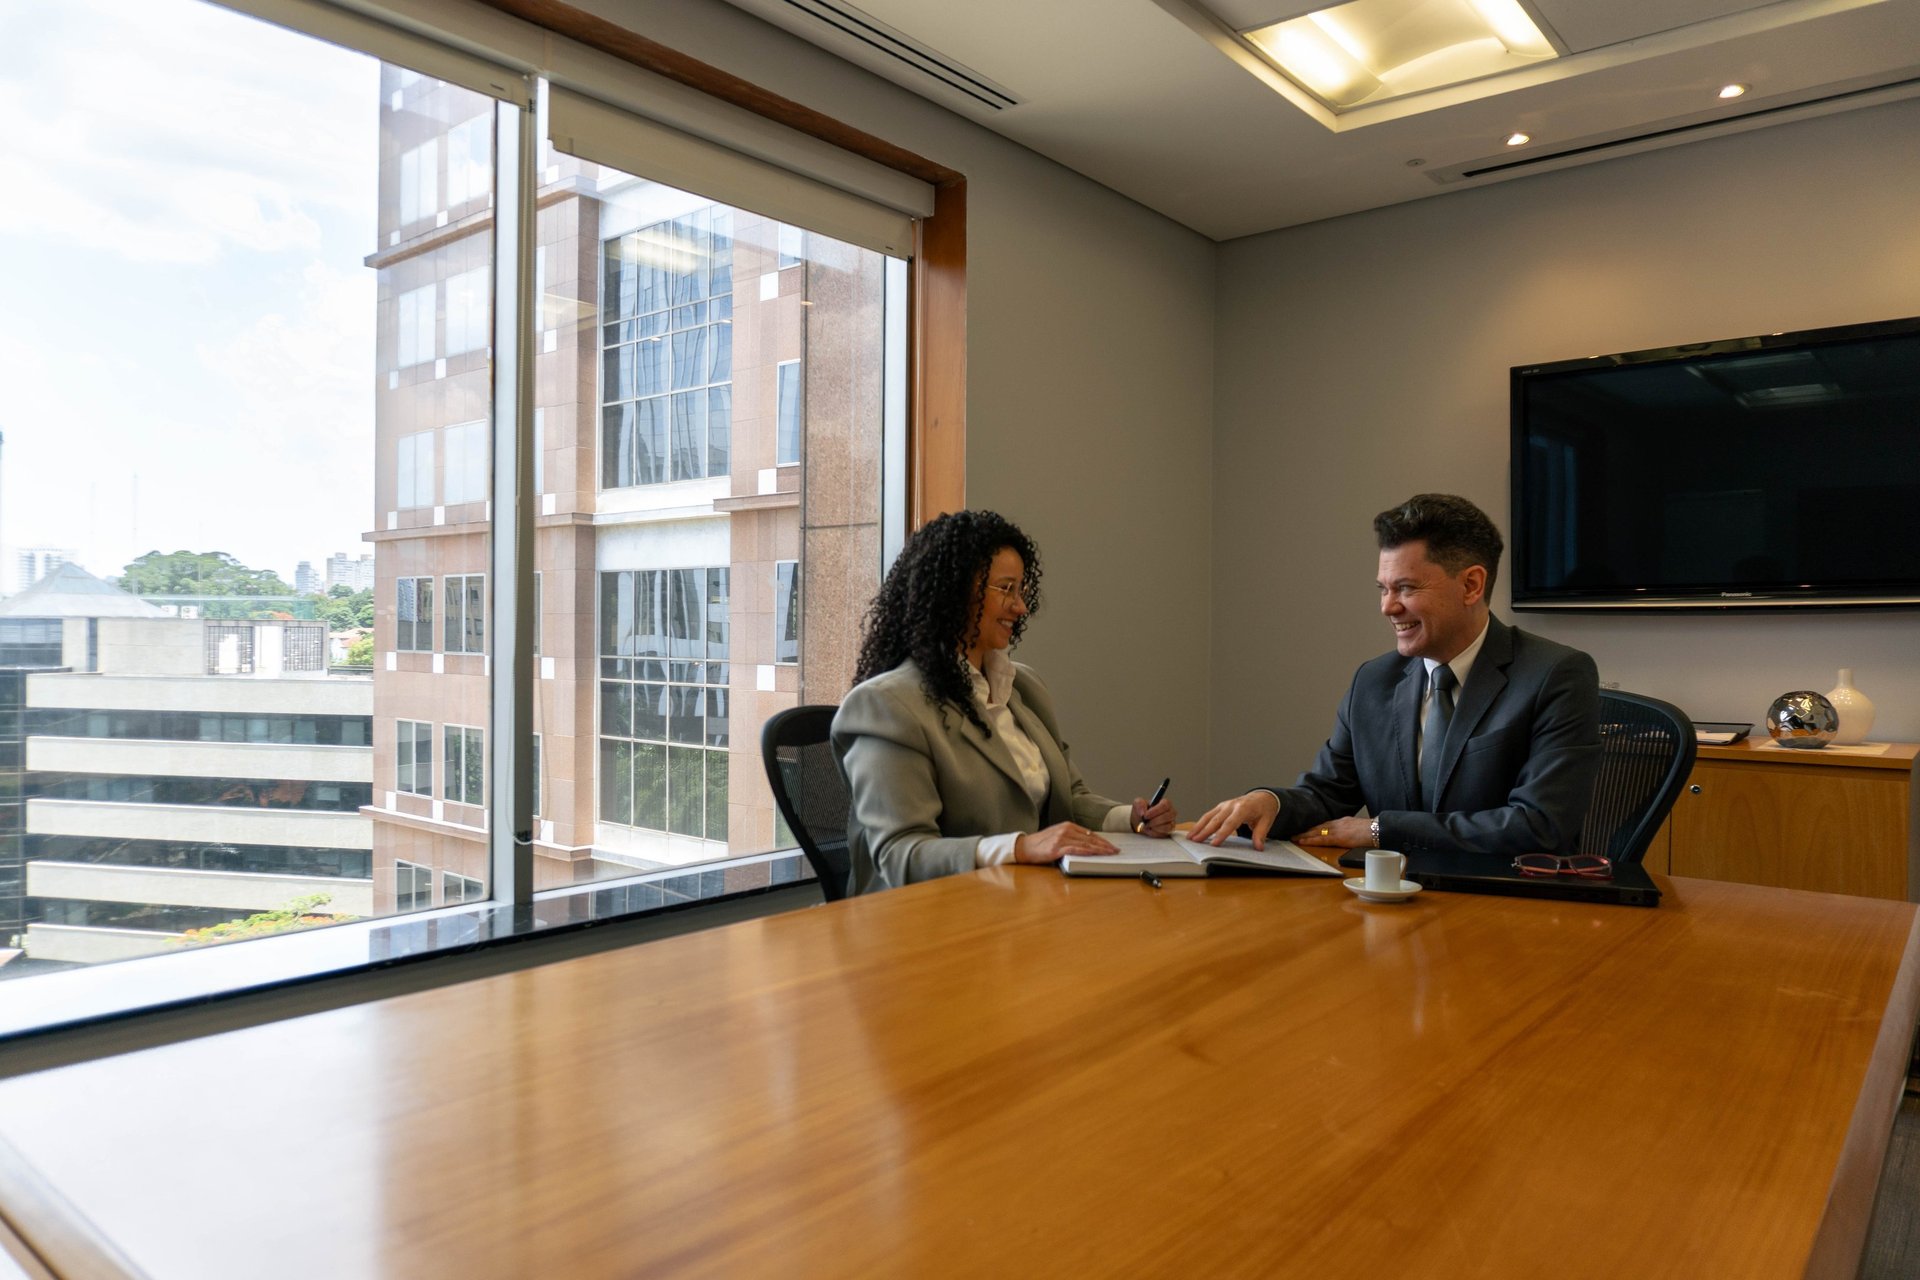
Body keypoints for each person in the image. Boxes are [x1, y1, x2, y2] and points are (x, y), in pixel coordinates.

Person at [1190, 493, 1599, 858]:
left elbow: (1539, 826)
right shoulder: (1373, 681)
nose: (1388, 607)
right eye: (1383, 588)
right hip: (1391, 901)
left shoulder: (1556, 675)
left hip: (1504, 909)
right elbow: (1329, 792)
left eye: (1405, 588)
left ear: (1472, 585)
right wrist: (1269, 802)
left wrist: (1378, 830)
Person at [832, 510, 1175, 894]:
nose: (1020, 607)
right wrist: (1021, 847)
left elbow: (1067, 799)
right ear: (955, 590)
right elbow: (901, 856)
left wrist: (1130, 819)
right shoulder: (887, 706)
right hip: (926, 924)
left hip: (1020, 905)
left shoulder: (1023, 687)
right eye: (1005, 589)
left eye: (1021, 590)